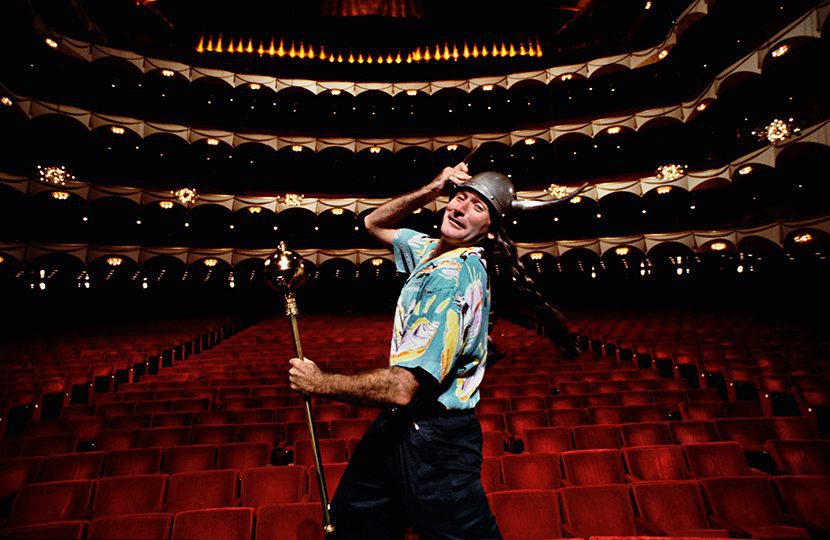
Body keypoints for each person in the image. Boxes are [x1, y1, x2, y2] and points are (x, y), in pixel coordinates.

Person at [289, 161, 582, 539]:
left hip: (437, 442)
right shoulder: (430, 250)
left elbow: (401, 388)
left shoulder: (451, 278)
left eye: (478, 208)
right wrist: (435, 185)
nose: (460, 208)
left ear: (489, 232)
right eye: (459, 198)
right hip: (399, 427)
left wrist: (320, 383)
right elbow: (373, 223)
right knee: (351, 526)